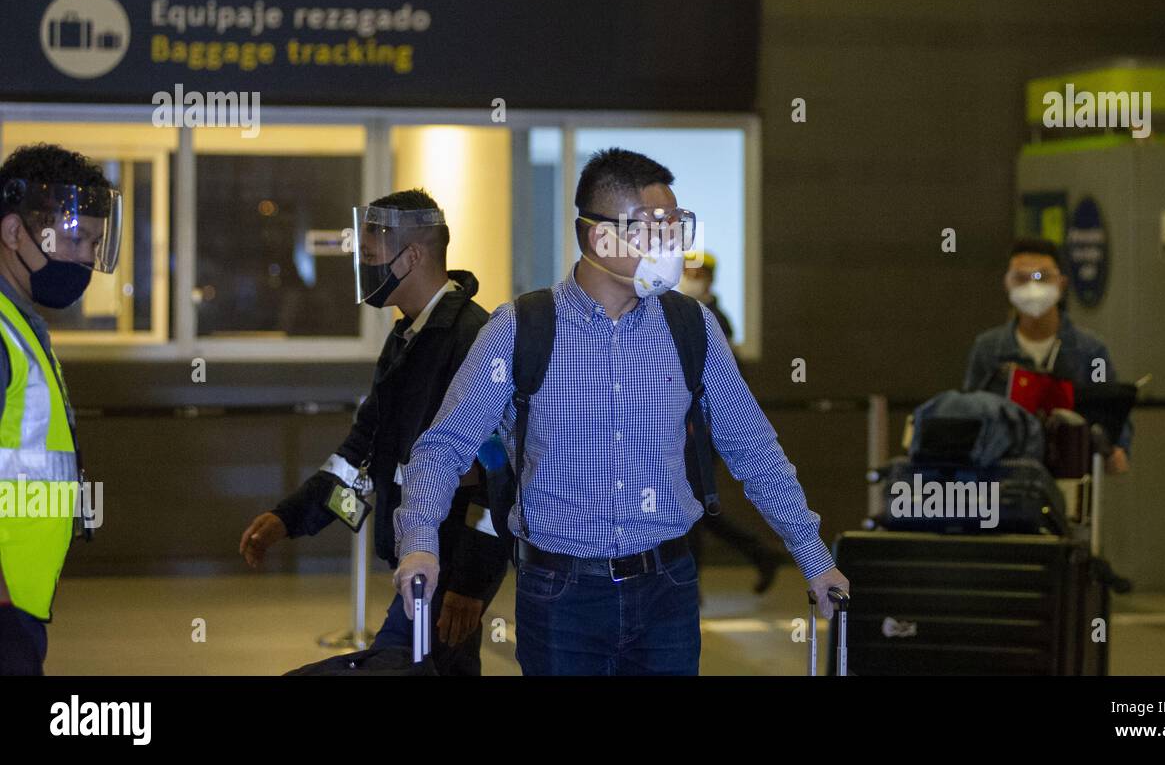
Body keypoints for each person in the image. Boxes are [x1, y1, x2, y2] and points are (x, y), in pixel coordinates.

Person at [392, 148, 848, 675]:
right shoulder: (520, 328)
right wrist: (420, 545)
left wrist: (815, 559)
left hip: (669, 589)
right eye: (656, 229)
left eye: (677, 227)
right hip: (560, 594)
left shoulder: (691, 327)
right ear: (598, 237)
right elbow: (443, 447)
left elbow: (752, 446)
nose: (673, 245)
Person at [239, 189, 511, 674]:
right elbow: (360, 451)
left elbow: (497, 474)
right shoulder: (407, 336)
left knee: (400, 663)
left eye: (370, 257)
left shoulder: (473, 338)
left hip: (445, 569)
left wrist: (471, 583)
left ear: (412, 256)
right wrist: (291, 518)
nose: (364, 270)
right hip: (416, 561)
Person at [0, 144, 122, 675]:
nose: (83, 258)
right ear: (13, 233)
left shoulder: (20, 322)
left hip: (19, 602)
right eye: (74, 239)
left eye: (93, 243)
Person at [963, 237, 1131, 473]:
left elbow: (1111, 412)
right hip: (1004, 480)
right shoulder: (989, 349)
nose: (1033, 286)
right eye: (1021, 278)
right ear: (1007, 283)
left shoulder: (1091, 351)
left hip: (1071, 474)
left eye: (1042, 276)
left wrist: (1116, 450)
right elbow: (970, 414)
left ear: (1062, 283)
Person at [679, 250, 783, 595]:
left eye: (696, 272)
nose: (689, 278)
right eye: (686, 271)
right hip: (691, 429)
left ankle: (690, 588)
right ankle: (760, 554)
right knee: (699, 507)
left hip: (701, 431)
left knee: (692, 507)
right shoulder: (691, 313)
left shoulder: (712, 319)